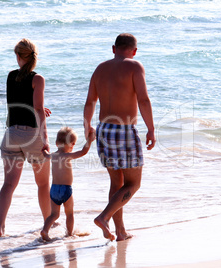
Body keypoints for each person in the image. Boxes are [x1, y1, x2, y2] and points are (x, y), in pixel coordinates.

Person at [83, 33, 156, 241]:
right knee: (133, 184)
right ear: (134, 51)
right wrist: (151, 128)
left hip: (104, 130)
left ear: (113, 48)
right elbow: (143, 99)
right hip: (124, 130)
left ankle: (121, 231)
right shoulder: (135, 66)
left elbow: (90, 102)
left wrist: (87, 125)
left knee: (117, 184)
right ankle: (104, 217)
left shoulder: (100, 68)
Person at [0, 38, 51, 237]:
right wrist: (45, 138)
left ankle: (0, 227)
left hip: (11, 135)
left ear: (18, 56)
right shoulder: (38, 79)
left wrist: (39, 109)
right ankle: (47, 225)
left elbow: (20, 100)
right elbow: (36, 108)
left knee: (9, 184)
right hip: (31, 135)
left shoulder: (11, 76)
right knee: (43, 184)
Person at [40, 127, 95, 241]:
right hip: (66, 189)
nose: (73, 147)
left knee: (54, 214)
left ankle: (45, 230)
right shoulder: (67, 156)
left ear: (56, 143)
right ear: (70, 144)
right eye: (73, 144)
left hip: (54, 190)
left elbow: (45, 155)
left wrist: (44, 150)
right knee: (69, 213)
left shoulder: (53, 156)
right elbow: (83, 152)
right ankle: (69, 235)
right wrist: (89, 140)